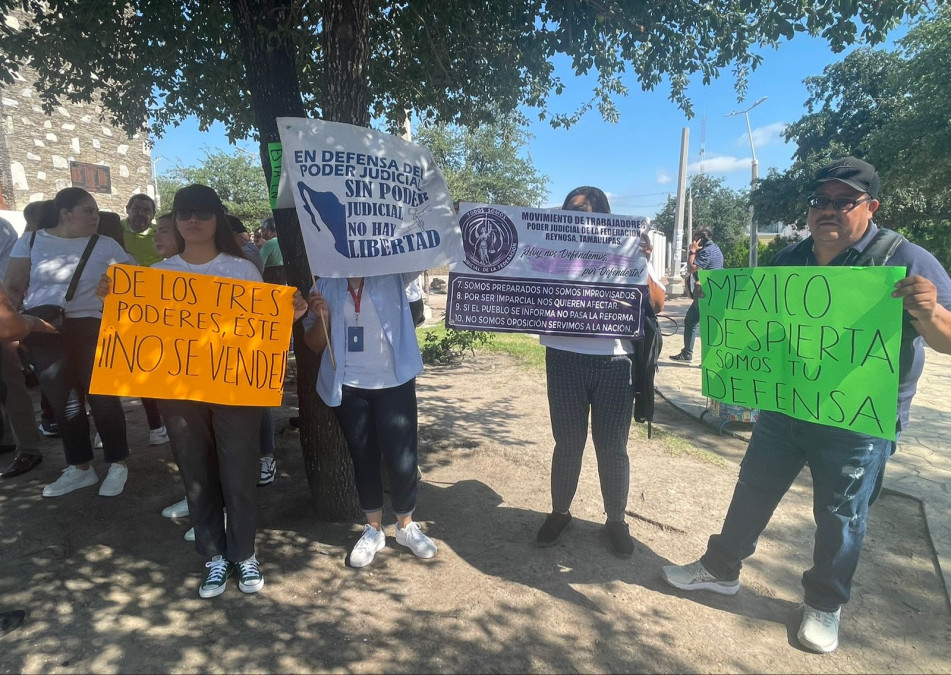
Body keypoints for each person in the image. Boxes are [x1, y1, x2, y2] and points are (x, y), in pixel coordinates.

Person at [661, 157, 951, 653]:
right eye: (821, 201)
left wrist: (928, 311)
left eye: (844, 201)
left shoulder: (904, 259)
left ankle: (823, 604)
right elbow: (769, 329)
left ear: (871, 207)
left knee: (841, 516)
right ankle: (720, 569)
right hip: (785, 406)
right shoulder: (790, 259)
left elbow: (946, 340)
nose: (829, 211)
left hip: (858, 421)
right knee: (752, 489)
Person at [100, 184, 305, 598]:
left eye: (203, 213)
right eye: (184, 212)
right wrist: (114, 299)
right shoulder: (155, 276)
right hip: (178, 392)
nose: (193, 220)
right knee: (195, 470)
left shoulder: (243, 269)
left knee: (239, 469)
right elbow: (137, 329)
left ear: (216, 219)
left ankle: (244, 552)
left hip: (235, 390)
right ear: (175, 220)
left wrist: (290, 315)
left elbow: (260, 333)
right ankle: (214, 555)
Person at [535, 186, 665, 557]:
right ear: (563, 217)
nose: (583, 220)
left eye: (591, 215)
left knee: (612, 448)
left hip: (615, 361)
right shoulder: (550, 250)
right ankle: (560, 513)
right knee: (568, 444)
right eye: (574, 213)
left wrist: (640, 263)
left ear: (607, 220)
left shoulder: (629, 249)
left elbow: (656, 302)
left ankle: (616, 520)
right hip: (563, 356)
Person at [4, 187, 136, 497]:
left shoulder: (105, 244)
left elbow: (134, 280)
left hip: (92, 327)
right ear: (66, 214)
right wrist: (14, 330)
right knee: (64, 403)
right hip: (43, 329)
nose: (95, 216)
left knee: (103, 398)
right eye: (88, 210)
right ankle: (80, 468)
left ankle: (118, 464)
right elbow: (12, 287)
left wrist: (114, 285)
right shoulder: (31, 241)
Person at [302, 271, 437, 568]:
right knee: (363, 459)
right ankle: (373, 530)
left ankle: (405, 526)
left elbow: (425, 251)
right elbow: (313, 344)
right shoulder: (324, 283)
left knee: (402, 461)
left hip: (395, 385)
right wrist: (322, 316)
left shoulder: (392, 273)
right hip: (349, 387)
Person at [0, 215, 47, 479]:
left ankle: (28, 448)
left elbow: (9, 281)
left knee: (11, 384)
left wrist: (13, 321)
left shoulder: (1, 227)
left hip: (3, 314)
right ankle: (6, 439)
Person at [670, 226, 723, 362]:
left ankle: (708, 359)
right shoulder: (714, 248)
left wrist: (692, 251)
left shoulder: (707, 251)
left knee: (706, 326)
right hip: (706, 293)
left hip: (707, 294)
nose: (693, 239)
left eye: (695, 237)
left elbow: (691, 268)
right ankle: (687, 353)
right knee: (690, 321)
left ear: (702, 238)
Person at [258, 217, 286, 284]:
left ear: (270, 230)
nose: (261, 231)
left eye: (263, 229)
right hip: (283, 280)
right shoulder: (285, 241)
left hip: (270, 280)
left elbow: (259, 263)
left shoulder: (269, 244)